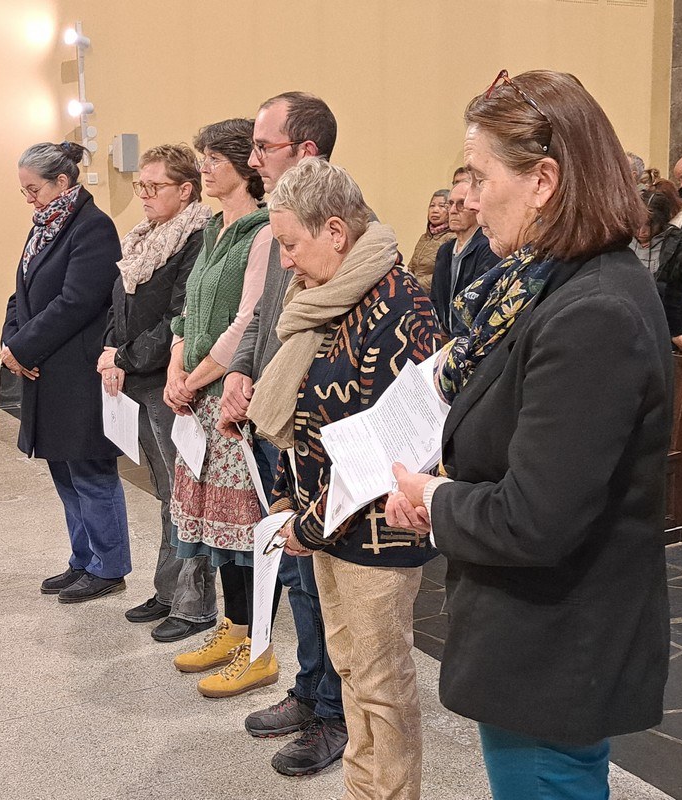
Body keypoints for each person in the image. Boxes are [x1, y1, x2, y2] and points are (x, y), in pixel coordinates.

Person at [386, 69, 673, 800]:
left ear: (543, 180)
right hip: (539, 627)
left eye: (481, 178)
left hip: (555, 640)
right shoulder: (547, 283)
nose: (467, 200)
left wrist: (434, 498)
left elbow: (535, 518)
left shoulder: (591, 312)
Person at [247, 157, 439, 800]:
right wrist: (285, 497)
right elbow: (302, 413)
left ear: (335, 231)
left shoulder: (401, 307)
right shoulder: (327, 299)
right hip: (324, 521)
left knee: (381, 684)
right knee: (351, 670)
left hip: (377, 529)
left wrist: (306, 524)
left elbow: (389, 448)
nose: (286, 263)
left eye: (291, 245)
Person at [218, 92, 349, 778]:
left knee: (325, 579)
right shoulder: (279, 224)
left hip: (317, 425)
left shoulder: (333, 223)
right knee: (297, 571)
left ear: (306, 149)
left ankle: (334, 713)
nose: (251, 159)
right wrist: (241, 372)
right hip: (278, 418)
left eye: (263, 146)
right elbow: (262, 317)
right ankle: (308, 688)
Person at [164, 118, 275, 696]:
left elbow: (247, 321)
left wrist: (197, 377)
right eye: (202, 157)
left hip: (231, 398)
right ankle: (232, 628)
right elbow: (187, 310)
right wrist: (175, 366)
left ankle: (260, 647)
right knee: (215, 525)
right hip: (198, 397)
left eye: (213, 158)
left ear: (243, 165)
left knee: (245, 529)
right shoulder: (212, 229)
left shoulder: (264, 233)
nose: (204, 167)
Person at [98, 144, 219, 640]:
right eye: (140, 186)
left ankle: (195, 605)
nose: (144, 195)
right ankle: (168, 590)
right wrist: (111, 349)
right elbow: (119, 307)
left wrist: (124, 358)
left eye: (154, 186)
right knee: (166, 491)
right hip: (139, 380)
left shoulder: (198, 238)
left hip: (171, 383)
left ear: (186, 189)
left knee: (187, 495)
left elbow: (177, 318)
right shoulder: (143, 238)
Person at [3, 141, 131, 603]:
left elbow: (77, 301)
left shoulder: (92, 227)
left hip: (77, 372)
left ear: (62, 182)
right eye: (23, 191)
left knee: (89, 470)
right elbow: (21, 292)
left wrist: (24, 346)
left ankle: (108, 566)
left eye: (33, 189)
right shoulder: (44, 226)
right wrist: (10, 342)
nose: (29, 199)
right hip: (44, 369)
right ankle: (83, 558)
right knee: (63, 470)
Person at [431, 178, 500, 337]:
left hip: (471, 339)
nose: (453, 210)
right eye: (450, 204)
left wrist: (456, 342)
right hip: (446, 338)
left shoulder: (488, 248)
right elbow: (435, 299)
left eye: (461, 204)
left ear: (476, 207)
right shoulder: (445, 250)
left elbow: (477, 303)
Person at [631, 189, 682, 344]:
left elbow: (676, 293)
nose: (642, 230)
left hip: (661, 321)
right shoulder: (621, 239)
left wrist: (675, 331)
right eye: (638, 223)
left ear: (663, 221)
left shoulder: (677, 243)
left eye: (650, 224)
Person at [405, 189, 452, 293]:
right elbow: (411, 267)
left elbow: (445, 275)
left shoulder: (452, 239)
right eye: (432, 205)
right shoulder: (424, 237)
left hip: (433, 295)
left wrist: (415, 283)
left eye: (442, 206)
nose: (435, 210)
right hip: (413, 291)